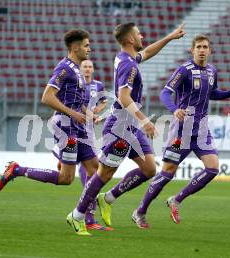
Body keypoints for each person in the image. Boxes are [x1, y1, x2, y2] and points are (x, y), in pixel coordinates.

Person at [66, 22, 186, 236]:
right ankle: (77, 215)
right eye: (139, 34)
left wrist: (169, 37)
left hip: (130, 126)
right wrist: (144, 120)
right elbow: (123, 96)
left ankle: (108, 199)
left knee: (149, 168)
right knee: (104, 173)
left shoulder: (126, 57)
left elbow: (147, 52)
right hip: (121, 126)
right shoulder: (128, 65)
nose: (142, 36)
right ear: (130, 39)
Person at [131, 35, 230, 228]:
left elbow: (212, 92)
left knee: (213, 168)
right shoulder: (184, 70)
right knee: (167, 173)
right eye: (198, 47)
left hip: (201, 129)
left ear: (210, 51)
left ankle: (176, 199)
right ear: (192, 50)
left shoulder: (211, 71)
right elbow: (165, 92)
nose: (202, 50)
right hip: (181, 130)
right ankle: (140, 211)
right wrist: (174, 109)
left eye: (205, 47)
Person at [0, 30, 101, 229]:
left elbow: (75, 102)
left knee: (95, 169)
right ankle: (17, 170)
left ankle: (86, 218)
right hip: (66, 127)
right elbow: (47, 97)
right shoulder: (65, 68)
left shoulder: (77, 70)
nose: (90, 49)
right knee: (66, 179)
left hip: (78, 126)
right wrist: (72, 113)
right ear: (75, 47)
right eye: (86, 45)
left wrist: (89, 114)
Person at [76, 59, 110, 230]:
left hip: (87, 128)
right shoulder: (77, 83)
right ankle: (88, 211)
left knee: (85, 167)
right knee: (90, 167)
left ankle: (88, 213)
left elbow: (103, 101)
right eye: (85, 66)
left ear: (93, 69)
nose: (88, 69)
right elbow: (78, 104)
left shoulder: (98, 85)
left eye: (90, 66)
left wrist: (98, 110)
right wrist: (91, 113)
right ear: (80, 69)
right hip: (75, 126)